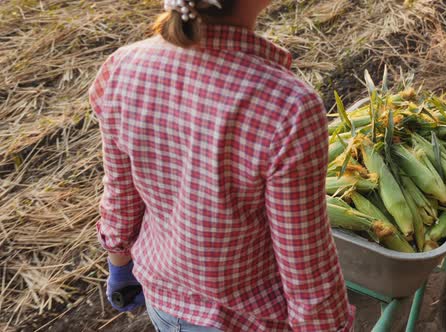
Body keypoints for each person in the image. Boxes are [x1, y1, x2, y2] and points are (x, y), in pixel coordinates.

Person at [88, 0, 355, 331]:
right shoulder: (288, 105)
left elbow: (120, 198)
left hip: (163, 303)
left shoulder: (123, 67)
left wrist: (118, 264)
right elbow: (305, 268)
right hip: (243, 321)